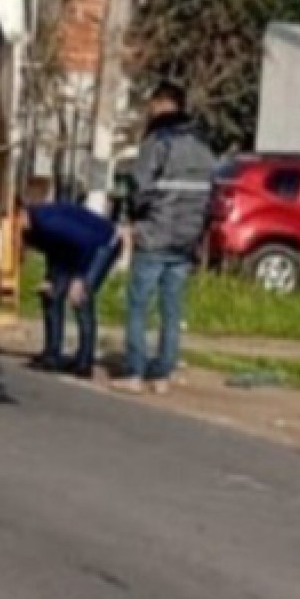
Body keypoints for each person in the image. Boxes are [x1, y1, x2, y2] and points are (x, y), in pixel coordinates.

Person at [118, 81, 217, 395]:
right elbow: (210, 193)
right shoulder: (203, 145)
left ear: (161, 103)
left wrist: (134, 217)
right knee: (172, 310)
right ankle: (163, 374)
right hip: (186, 239)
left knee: (139, 306)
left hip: (155, 236)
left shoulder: (157, 140)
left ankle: (135, 372)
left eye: (152, 104)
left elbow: (140, 187)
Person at [22, 199, 121, 378]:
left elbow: (86, 243)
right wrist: (50, 278)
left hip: (101, 243)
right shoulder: (32, 230)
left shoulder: (47, 220)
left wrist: (79, 279)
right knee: (51, 295)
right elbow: (56, 249)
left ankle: (85, 361)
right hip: (73, 250)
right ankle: (52, 354)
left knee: (81, 298)